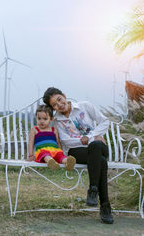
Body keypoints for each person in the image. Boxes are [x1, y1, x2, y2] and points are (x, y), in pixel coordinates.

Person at [43, 87, 114, 224]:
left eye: (59, 99)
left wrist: (90, 136)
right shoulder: (58, 121)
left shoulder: (85, 106)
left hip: (97, 146)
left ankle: (93, 189)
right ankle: (105, 206)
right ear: (53, 108)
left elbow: (104, 121)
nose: (59, 105)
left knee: (96, 147)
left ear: (64, 96)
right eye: (55, 105)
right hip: (77, 151)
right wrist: (91, 138)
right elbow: (65, 141)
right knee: (101, 161)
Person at [26, 105, 76, 171]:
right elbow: (30, 143)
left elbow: (58, 142)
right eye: (39, 118)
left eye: (45, 119)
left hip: (54, 151)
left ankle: (67, 162)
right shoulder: (35, 130)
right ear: (36, 118)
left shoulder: (53, 130)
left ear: (51, 119)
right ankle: (52, 163)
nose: (41, 121)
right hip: (42, 151)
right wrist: (30, 155)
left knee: (60, 156)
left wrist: (60, 151)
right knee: (45, 155)